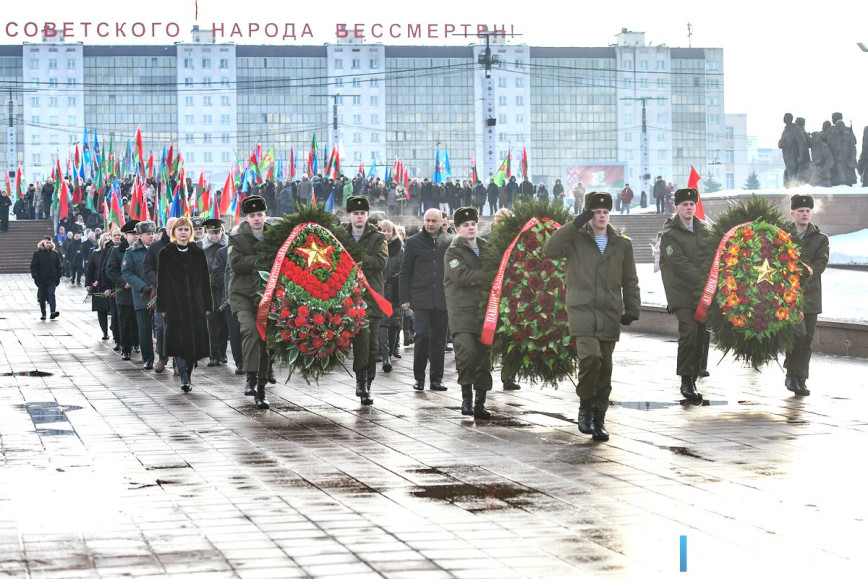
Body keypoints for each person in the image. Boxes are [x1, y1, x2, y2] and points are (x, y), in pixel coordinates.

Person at [543, 192, 640, 442]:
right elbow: (550, 250)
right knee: (590, 357)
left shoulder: (622, 243)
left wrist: (632, 308)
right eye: (597, 212)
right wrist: (574, 225)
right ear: (588, 214)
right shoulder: (576, 238)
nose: (602, 216)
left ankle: (599, 418)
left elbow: (630, 279)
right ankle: (585, 405)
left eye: (606, 212)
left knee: (605, 367)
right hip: (582, 309)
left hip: (608, 310)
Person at [444, 207, 494, 419]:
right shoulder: (453, 252)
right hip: (462, 312)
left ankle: (480, 403)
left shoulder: (486, 247)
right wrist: (488, 275)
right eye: (466, 225)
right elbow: (461, 277)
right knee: (467, 354)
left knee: (484, 357)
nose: (471, 227)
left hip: (484, 312)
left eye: (473, 224)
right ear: (457, 229)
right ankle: (466, 398)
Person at [659, 188, 708, 402]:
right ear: (676, 207)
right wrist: (704, 277)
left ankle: (693, 376)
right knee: (689, 331)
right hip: (680, 292)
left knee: (699, 333)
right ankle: (686, 379)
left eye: (691, 204)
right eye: (684, 205)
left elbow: (711, 255)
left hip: (701, 292)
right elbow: (678, 264)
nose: (688, 208)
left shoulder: (704, 229)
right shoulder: (670, 234)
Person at [157, 217, 213, 392]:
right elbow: (162, 281)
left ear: (190, 232)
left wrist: (207, 305)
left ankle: (188, 372)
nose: (183, 232)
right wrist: (163, 306)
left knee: (193, 342)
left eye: (186, 229)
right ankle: (183, 376)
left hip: (195, 304)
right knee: (178, 341)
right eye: (180, 229)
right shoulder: (166, 253)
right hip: (174, 305)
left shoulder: (198, 252)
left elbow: (205, 280)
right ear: (174, 232)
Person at [399, 208, 452, 392]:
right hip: (420, 299)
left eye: (434, 221)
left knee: (439, 341)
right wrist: (404, 298)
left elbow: (454, 268)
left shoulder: (450, 241)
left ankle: (436, 379)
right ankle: (419, 378)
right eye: (427, 220)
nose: (430, 224)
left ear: (441, 222)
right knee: (421, 336)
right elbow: (405, 273)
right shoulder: (413, 242)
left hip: (442, 299)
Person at [229, 195, 273, 409]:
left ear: (265, 215)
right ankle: (250, 377)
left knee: (265, 341)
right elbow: (236, 264)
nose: (256, 218)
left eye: (260, 214)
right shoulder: (237, 237)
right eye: (252, 215)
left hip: (267, 295)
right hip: (242, 295)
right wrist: (263, 260)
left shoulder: (274, 236)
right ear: (246, 218)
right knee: (250, 331)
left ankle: (261, 390)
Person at [783, 194, 829, 397]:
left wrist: (798, 271)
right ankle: (791, 374)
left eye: (808, 211)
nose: (804, 214)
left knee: (807, 338)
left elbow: (820, 265)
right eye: (800, 211)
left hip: (810, 295)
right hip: (788, 295)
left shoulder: (820, 239)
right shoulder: (783, 236)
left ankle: (800, 378)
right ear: (793, 213)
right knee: (796, 335)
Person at [344, 196, 388, 405]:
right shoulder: (340, 235)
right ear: (349, 215)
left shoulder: (378, 237)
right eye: (355, 213)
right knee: (362, 336)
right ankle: (361, 381)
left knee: (372, 344)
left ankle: (367, 381)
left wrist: (354, 257)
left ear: (368, 215)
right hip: (346, 296)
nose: (359, 217)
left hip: (372, 295)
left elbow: (380, 262)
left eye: (363, 213)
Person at [122, 220, 157, 370]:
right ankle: (148, 358)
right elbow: (127, 273)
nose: (151, 236)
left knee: (162, 328)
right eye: (148, 234)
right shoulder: (131, 252)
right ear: (140, 236)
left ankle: (164, 356)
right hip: (143, 296)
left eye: (153, 233)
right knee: (144, 330)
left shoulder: (160, 249)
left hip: (161, 294)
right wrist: (143, 287)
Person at [144, 218, 177, 373]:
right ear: (166, 229)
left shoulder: (185, 246)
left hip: (180, 295)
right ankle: (162, 357)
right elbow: (147, 267)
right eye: (172, 227)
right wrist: (158, 281)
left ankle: (178, 363)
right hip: (161, 293)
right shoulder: (155, 247)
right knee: (161, 328)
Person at [105, 220, 140, 360]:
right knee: (125, 322)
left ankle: (137, 343)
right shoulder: (117, 251)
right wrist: (123, 282)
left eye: (138, 234)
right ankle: (126, 349)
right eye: (133, 234)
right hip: (124, 292)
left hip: (140, 292)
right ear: (125, 235)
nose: (136, 236)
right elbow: (110, 270)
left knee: (138, 322)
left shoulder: (143, 249)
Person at [377, 219, 404, 373]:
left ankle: (391, 351)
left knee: (394, 324)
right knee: (382, 323)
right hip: (380, 290)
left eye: (389, 230)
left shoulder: (400, 249)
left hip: (395, 291)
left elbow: (404, 269)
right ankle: (385, 356)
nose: (386, 233)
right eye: (383, 230)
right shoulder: (376, 246)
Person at [202, 218, 229, 367]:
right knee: (212, 324)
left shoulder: (227, 248)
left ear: (221, 232)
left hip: (224, 289)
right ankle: (213, 354)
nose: (214, 236)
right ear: (207, 233)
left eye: (217, 233)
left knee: (224, 323)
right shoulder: (202, 248)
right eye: (211, 233)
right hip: (209, 291)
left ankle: (222, 353)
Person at [85, 233, 113, 340]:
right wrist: (88, 283)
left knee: (113, 309)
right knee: (101, 310)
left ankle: (114, 327)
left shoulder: (113, 251)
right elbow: (89, 269)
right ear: (101, 241)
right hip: (98, 284)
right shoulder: (95, 253)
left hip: (111, 284)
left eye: (109, 239)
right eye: (105, 239)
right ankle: (105, 332)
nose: (107, 241)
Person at [30, 236, 63, 320]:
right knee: (42, 297)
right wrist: (35, 277)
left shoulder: (55, 253)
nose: (48, 244)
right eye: (47, 243)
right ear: (43, 243)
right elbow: (33, 267)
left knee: (51, 294)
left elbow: (59, 266)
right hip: (41, 279)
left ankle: (52, 312)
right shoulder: (37, 254)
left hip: (52, 278)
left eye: (49, 242)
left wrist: (58, 276)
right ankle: (43, 313)